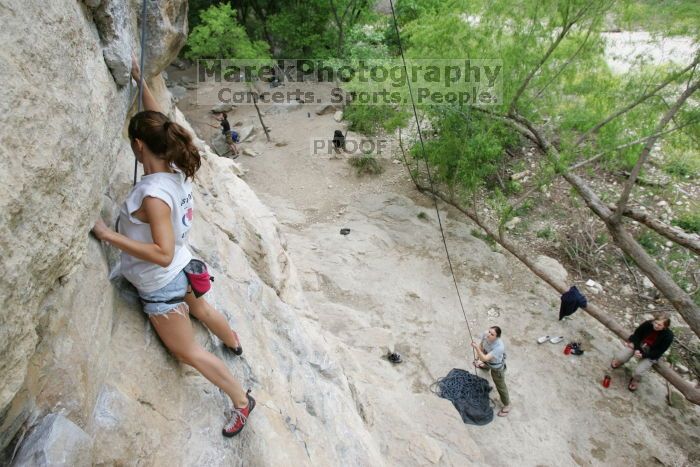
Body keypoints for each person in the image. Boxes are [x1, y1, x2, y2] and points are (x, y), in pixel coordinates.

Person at [92, 56, 254, 437]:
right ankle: (233, 342)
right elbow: (160, 118)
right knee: (202, 308)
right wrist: (139, 82)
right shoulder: (177, 170)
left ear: (137, 146)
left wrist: (108, 235)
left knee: (189, 352)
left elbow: (160, 252)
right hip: (184, 267)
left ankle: (243, 401)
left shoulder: (152, 195)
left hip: (162, 280)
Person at [610, 312, 674, 392]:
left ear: (665, 327)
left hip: (651, 353)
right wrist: (637, 349)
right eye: (655, 323)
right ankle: (620, 361)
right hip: (639, 345)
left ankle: (636, 380)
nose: (656, 326)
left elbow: (659, 351)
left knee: (638, 372)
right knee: (620, 357)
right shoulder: (648, 324)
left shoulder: (669, 336)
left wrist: (643, 355)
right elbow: (637, 335)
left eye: (659, 325)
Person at [472, 326, 511, 417]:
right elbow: (482, 346)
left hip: (496, 367)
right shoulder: (486, 335)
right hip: (487, 360)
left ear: (497, 337)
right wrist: (479, 359)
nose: (488, 334)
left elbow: (484, 357)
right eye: (489, 331)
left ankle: (507, 405)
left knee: (500, 385)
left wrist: (476, 349)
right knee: (483, 361)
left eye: (492, 334)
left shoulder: (499, 347)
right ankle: (485, 366)